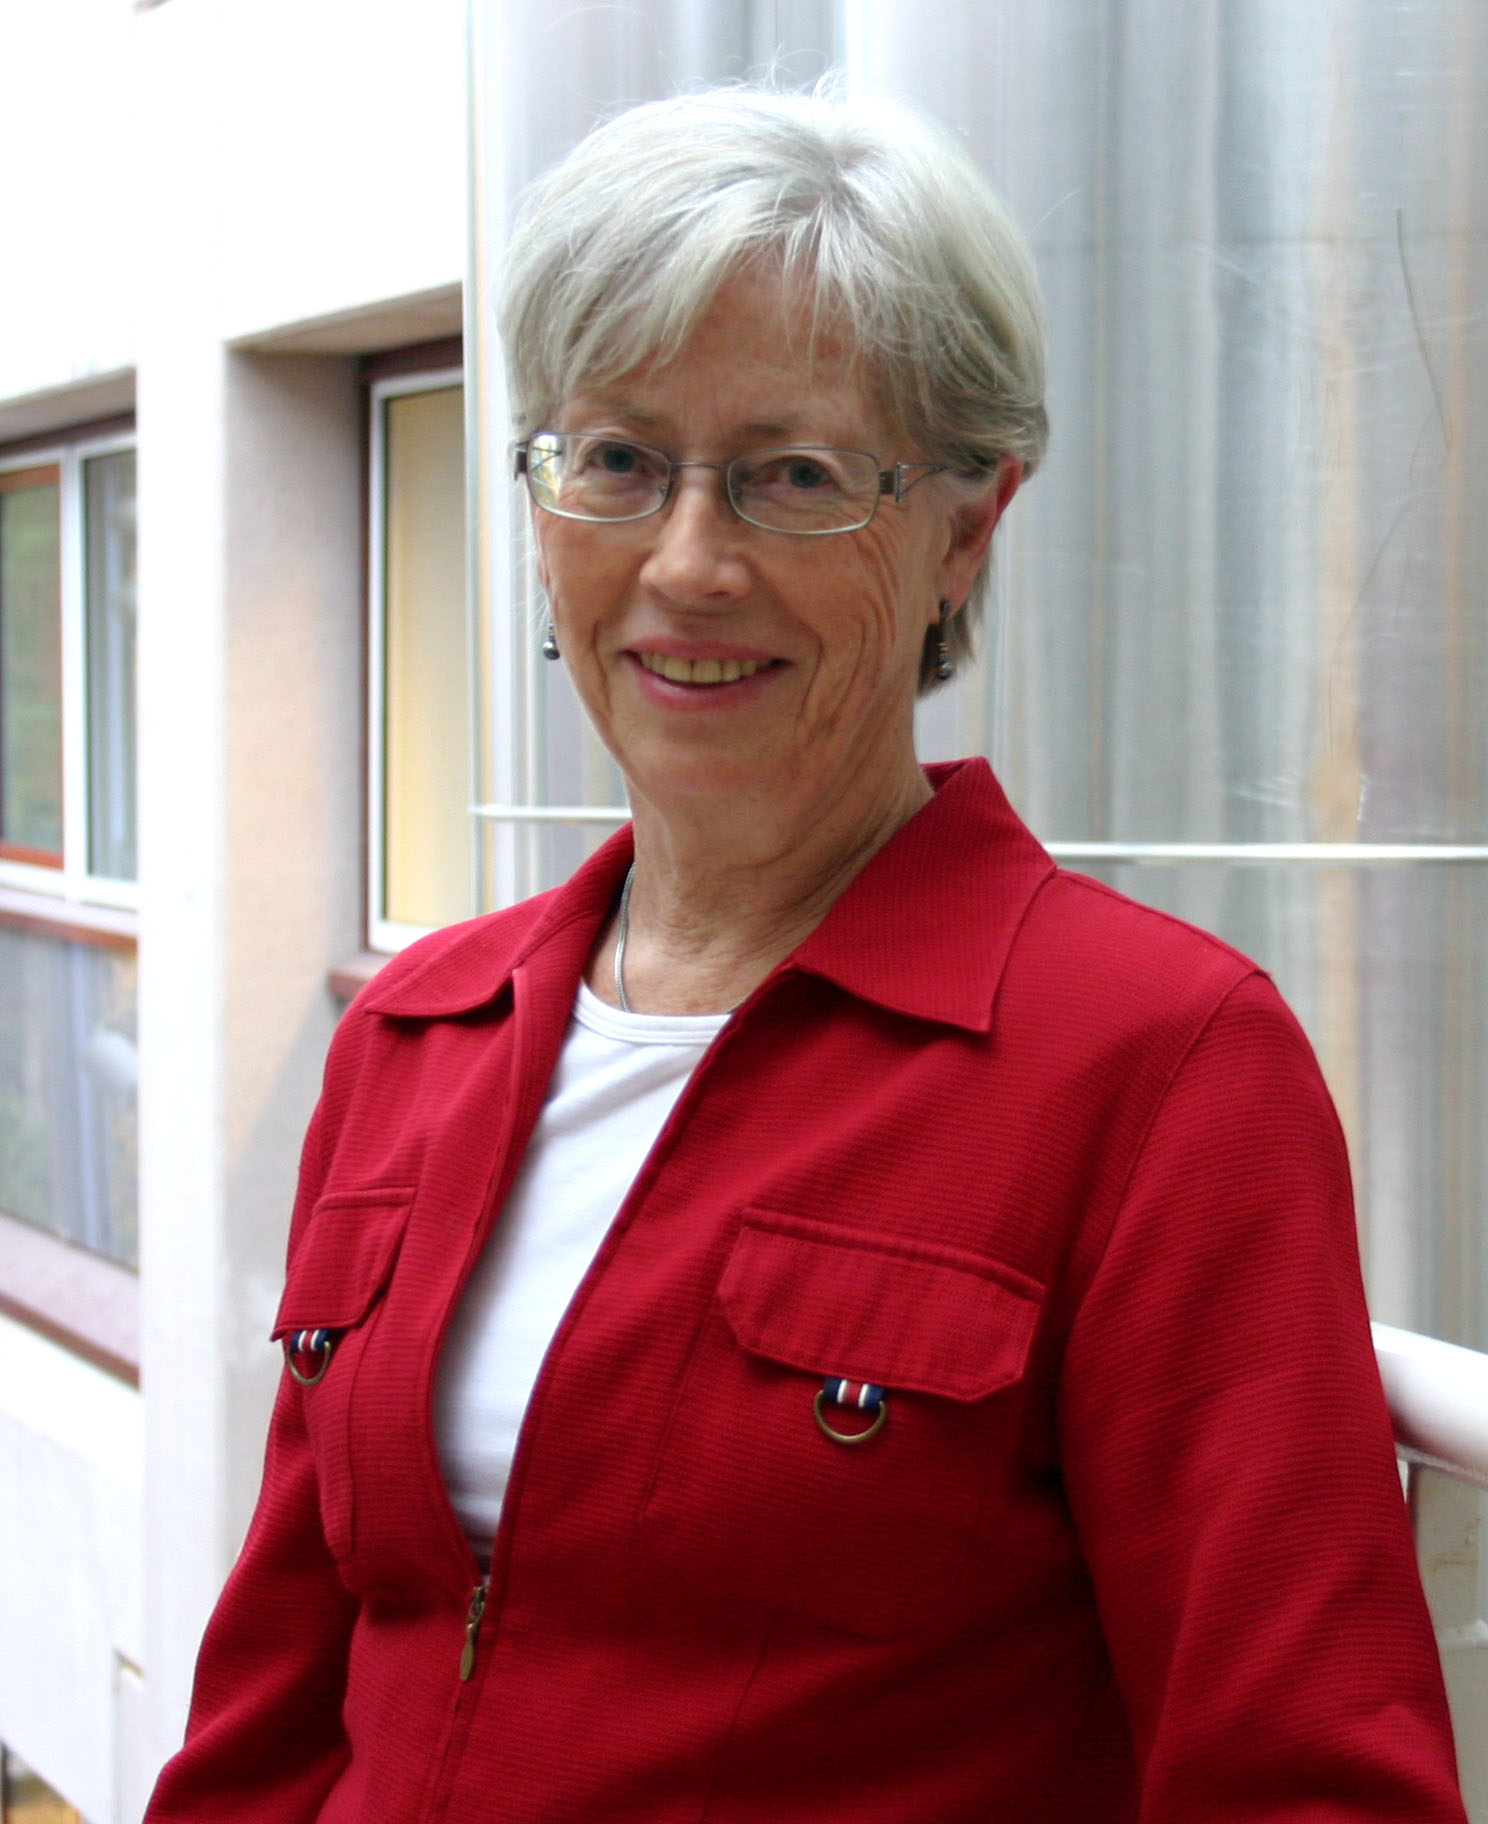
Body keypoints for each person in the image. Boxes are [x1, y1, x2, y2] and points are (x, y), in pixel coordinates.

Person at [144, 86, 1466, 1823]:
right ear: (541, 506)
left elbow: (1306, 1775)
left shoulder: (1154, 1067)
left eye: (794, 478)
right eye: (618, 461)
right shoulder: (415, 1033)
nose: (689, 564)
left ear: (965, 531)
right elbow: (275, 1704)